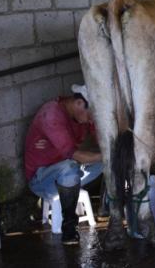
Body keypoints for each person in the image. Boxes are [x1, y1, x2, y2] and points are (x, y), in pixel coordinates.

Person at [24, 84, 103, 245]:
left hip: (66, 170)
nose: (91, 120)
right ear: (80, 103)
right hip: (41, 180)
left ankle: (109, 205)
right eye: (91, 115)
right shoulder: (51, 114)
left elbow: (99, 138)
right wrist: (107, 155)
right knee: (71, 167)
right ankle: (69, 228)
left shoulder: (83, 116)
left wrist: (111, 150)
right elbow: (73, 154)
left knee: (103, 163)